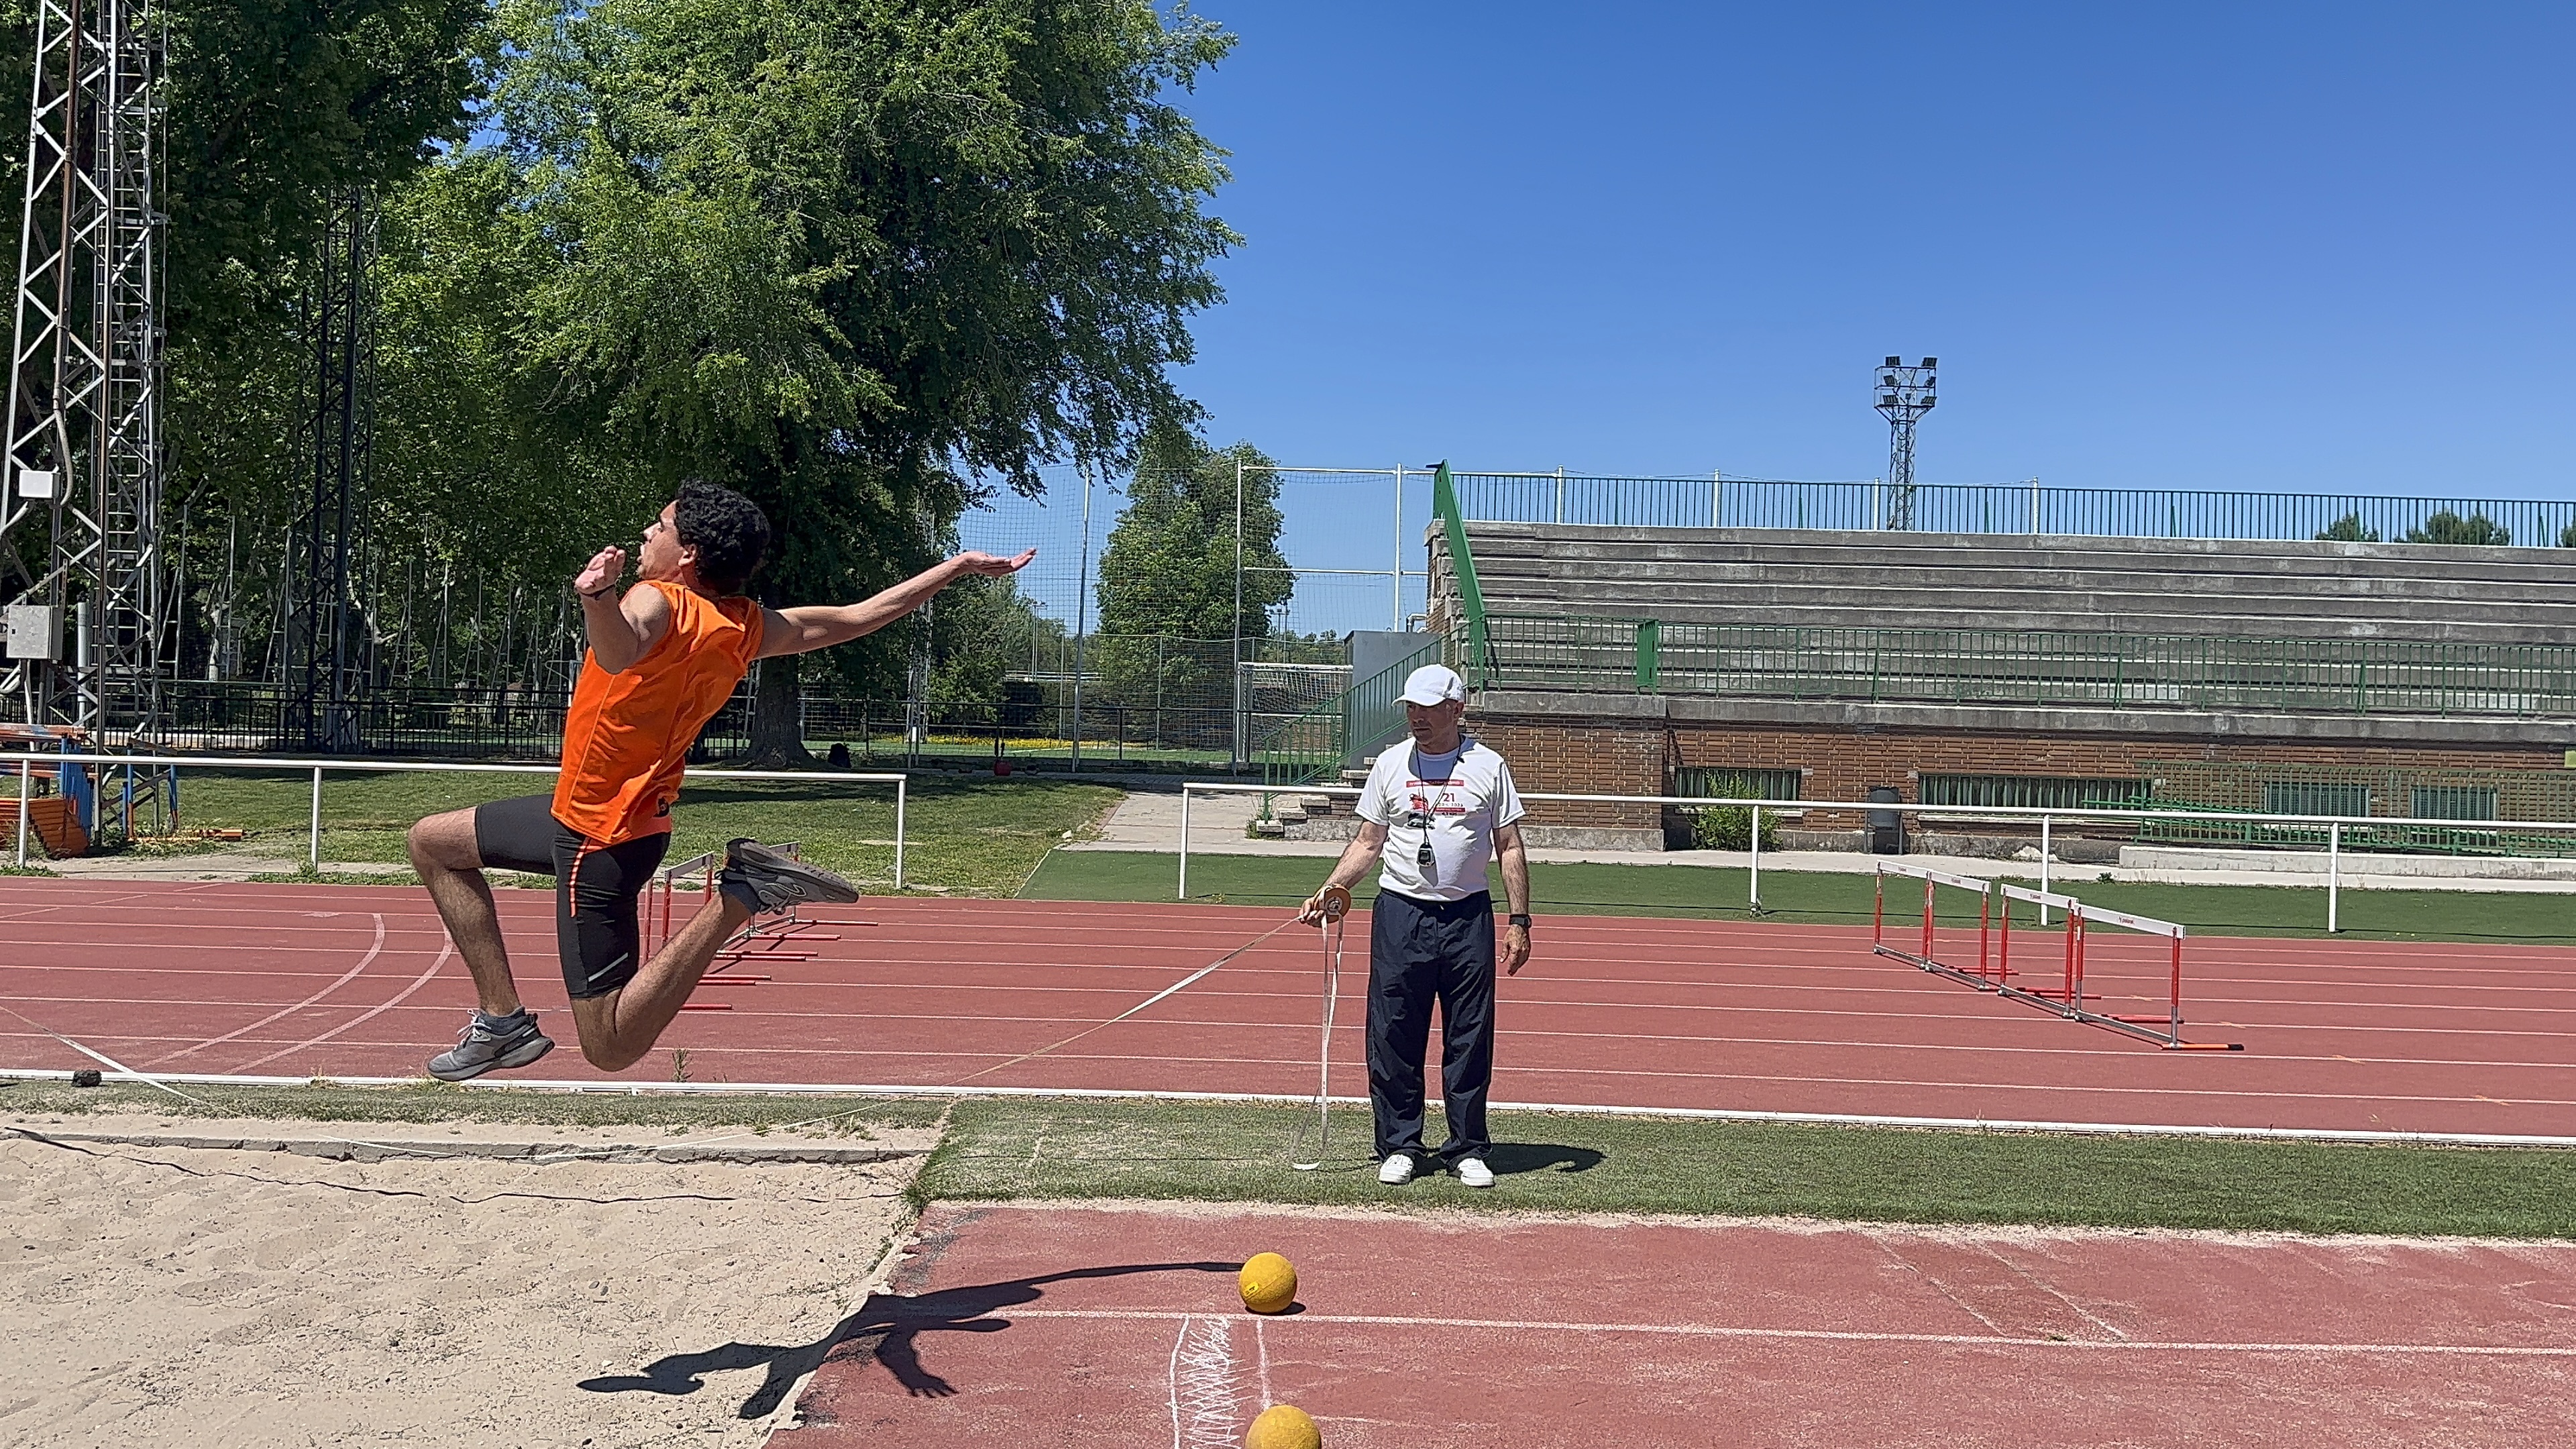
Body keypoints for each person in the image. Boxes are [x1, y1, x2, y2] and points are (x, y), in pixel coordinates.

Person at [406, 480, 1034, 1080]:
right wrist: (953, 569)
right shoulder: (741, 625)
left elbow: (620, 651)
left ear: (688, 554)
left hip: (599, 836)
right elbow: (855, 617)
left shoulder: (654, 599)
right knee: (433, 842)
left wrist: (598, 597)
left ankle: (738, 896)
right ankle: (502, 1022)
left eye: (660, 526)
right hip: (602, 817)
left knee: (610, 1046)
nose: (647, 533)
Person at [1299, 663, 1531, 1187]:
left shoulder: (1488, 766)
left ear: (1457, 708)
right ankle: (1399, 1144)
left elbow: (1510, 846)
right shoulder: (1390, 764)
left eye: (1427, 707)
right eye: (1411, 707)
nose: (1417, 717)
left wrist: (1519, 920)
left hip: (1467, 915)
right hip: (1401, 914)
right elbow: (1368, 843)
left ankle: (1467, 1147)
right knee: (1394, 1032)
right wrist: (1331, 890)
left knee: (1469, 1035)